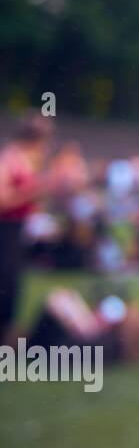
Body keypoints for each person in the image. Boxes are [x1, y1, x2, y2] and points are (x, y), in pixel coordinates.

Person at [0, 114, 53, 344]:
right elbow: (2, 199)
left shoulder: (26, 159)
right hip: (5, 230)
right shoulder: (9, 159)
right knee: (5, 281)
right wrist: (35, 191)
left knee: (13, 282)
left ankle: (7, 330)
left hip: (16, 229)